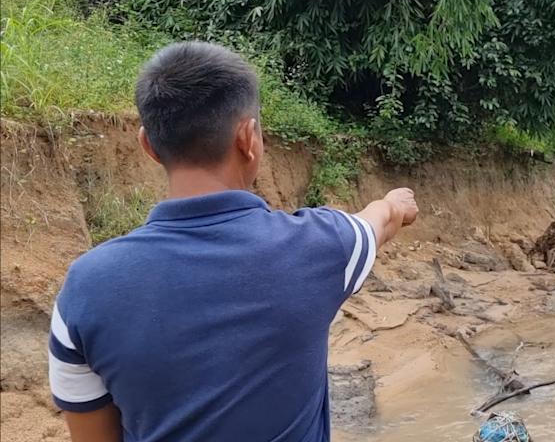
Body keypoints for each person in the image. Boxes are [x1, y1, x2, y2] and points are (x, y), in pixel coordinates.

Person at [47, 41, 418, 442]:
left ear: (148, 146)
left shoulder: (83, 288)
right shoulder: (322, 247)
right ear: (248, 137)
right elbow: (376, 223)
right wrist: (394, 202)